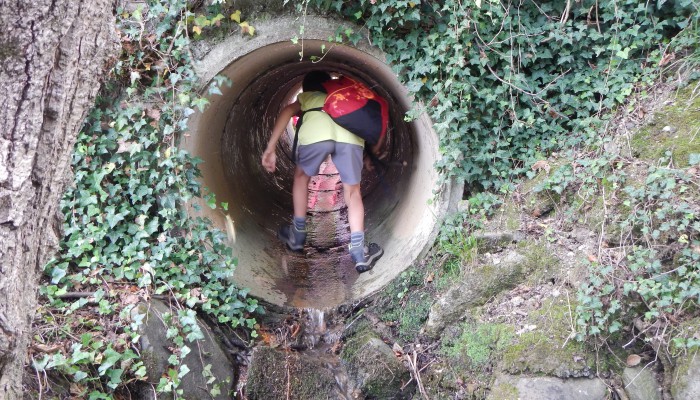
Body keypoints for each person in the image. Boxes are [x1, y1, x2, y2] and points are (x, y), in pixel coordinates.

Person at [261, 71, 383, 273]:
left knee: (301, 178)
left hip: (317, 136)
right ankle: (360, 252)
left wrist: (271, 147)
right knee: (352, 191)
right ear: (330, 85)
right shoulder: (344, 98)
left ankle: (298, 235)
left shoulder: (307, 97)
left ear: (307, 88)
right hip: (349, 140)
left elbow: (286, 112)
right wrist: (372, 154)